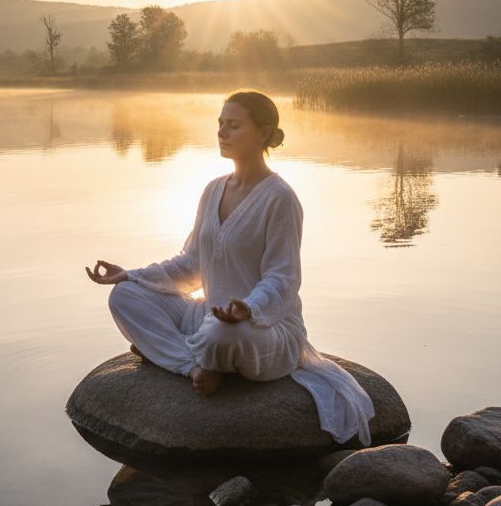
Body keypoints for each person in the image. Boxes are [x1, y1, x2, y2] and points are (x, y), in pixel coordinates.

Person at [85, 90, 374, 446]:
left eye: (233, 125)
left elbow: (283, 278)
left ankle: (184, 353)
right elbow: (191, 264)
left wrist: (248, 309)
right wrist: (131, 274)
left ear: (264, 133)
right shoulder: (212, 190)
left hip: (262, 329)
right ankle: (195, 367)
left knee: (221, 335)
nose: (222, 132)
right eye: (220, 124)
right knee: (125, 297)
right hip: (210, 315)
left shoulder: (280, 198)